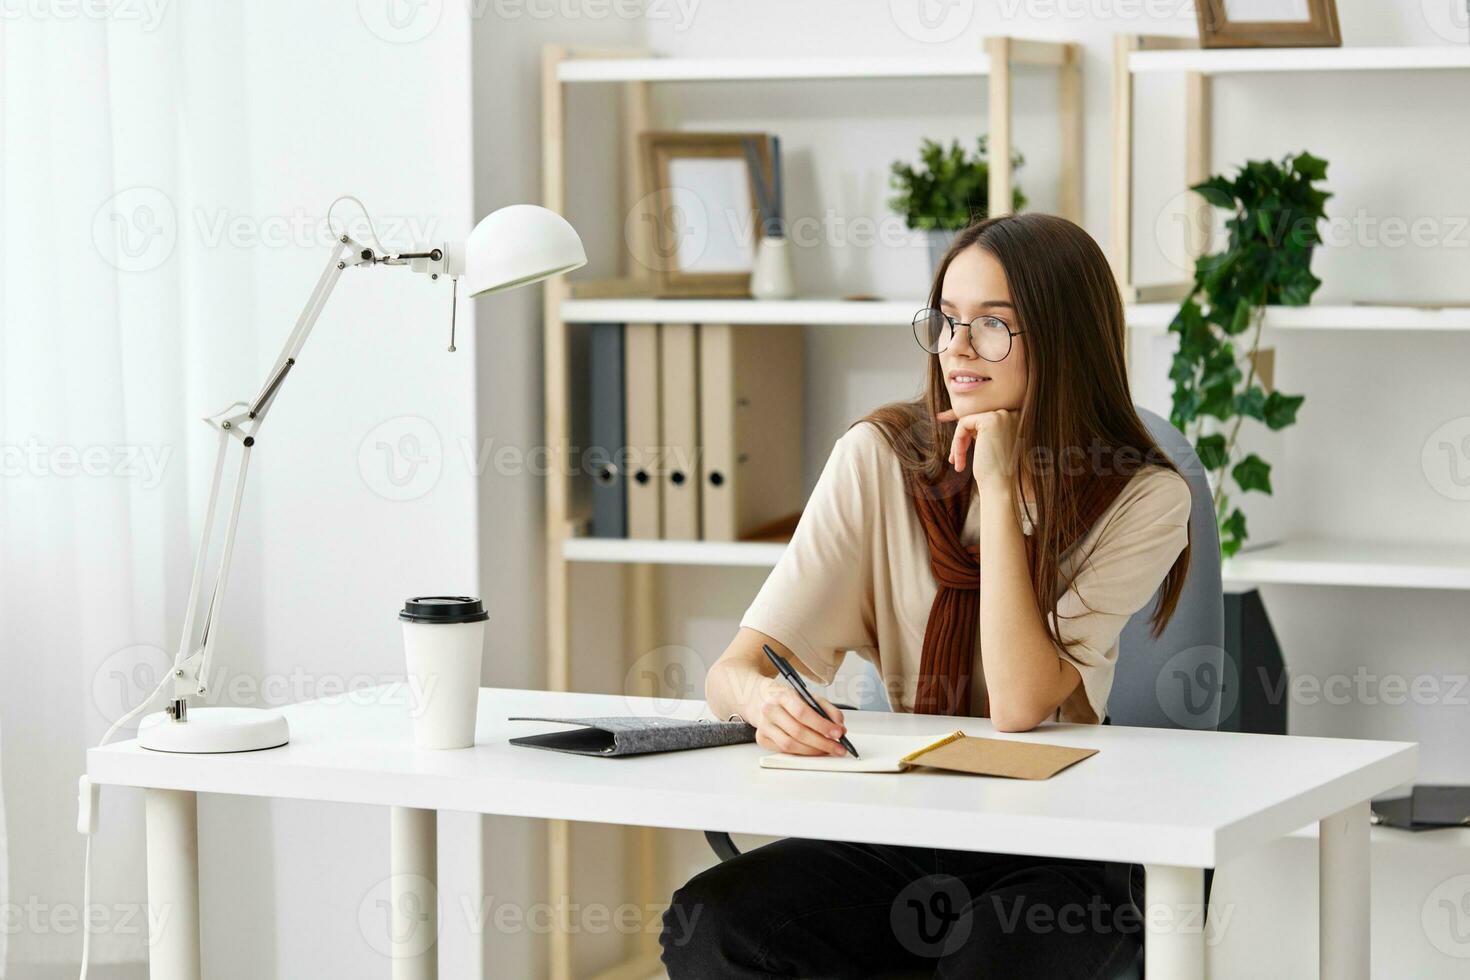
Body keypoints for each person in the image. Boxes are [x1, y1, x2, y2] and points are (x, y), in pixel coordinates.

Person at [660, 213, 1195, 979]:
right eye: (946, 320)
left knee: (988, 960)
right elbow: (732, 672)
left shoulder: (1143, 498)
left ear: (1065, 338)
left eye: (992, 326)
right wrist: (765, 703)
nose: (957, 348)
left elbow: (1018, 705)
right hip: (909, 822)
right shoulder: (877, 460)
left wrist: (1000, 481)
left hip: (1061, 844)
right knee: (710, 925)